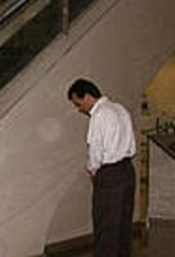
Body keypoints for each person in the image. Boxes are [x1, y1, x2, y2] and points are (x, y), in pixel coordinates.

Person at [67, 78, 136, 257]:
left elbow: (96, 150)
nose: (79, 108)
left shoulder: (99, 114)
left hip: (110, 174)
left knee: (106, 226)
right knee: (122, 225)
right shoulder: (119, 109)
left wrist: (93, 170)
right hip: (127, 171)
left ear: (87, 96)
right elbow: (131, 144)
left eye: (78, 102)